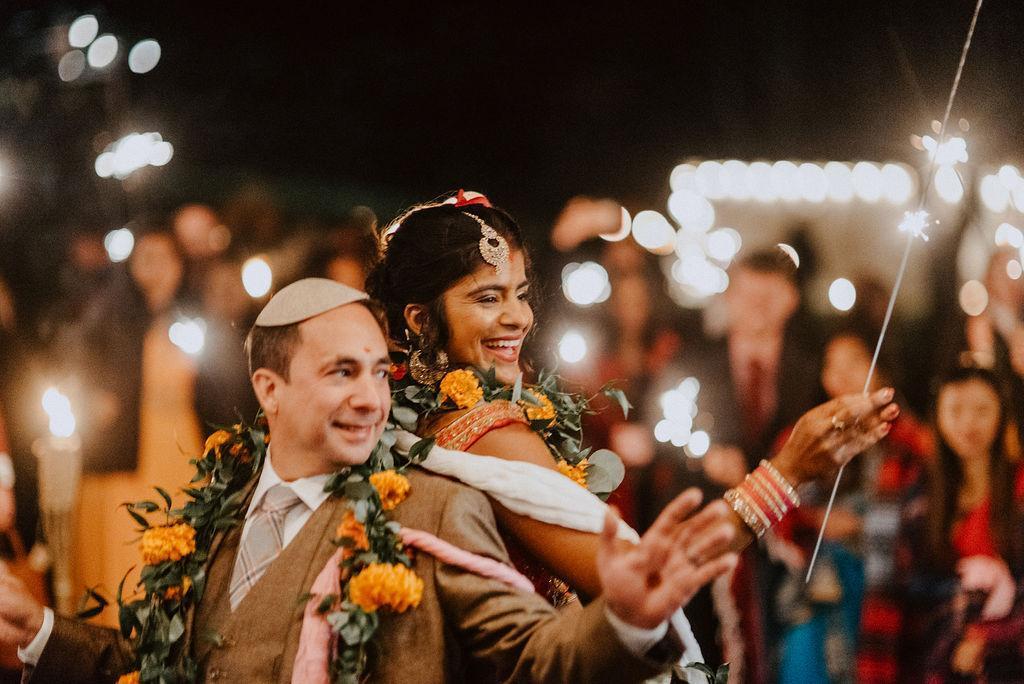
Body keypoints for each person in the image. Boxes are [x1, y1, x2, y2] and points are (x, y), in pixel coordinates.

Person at [0, 278, 744, 683]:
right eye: (340, 372)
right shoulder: (210, 523)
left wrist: (626, 619)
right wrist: (40, 637)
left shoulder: (432, 511)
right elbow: (160, 663)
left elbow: (536, 658)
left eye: (380, 374)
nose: (370, 398)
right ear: (269, 389)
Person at [365, 191, 897, 642]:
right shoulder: (488, 435)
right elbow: (646, 581)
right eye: (487, 297)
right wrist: (787, 473)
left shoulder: (417, 421)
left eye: (520, 294)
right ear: (419, 319)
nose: (517, 316)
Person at [769, 328, 931, 683]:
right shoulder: (802, 435)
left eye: (854, 363)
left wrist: (861, 524)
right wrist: (812, 519)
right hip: (815, 595)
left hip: (880, 592)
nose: (840, 376)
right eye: (832, 365)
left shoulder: (911, 441)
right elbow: (773, 507)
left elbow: (925, 520)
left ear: (882, 369)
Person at [72, 228, 204, 620]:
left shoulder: (193, 318)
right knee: (127, 552)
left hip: (181, 445)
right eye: (146, 259)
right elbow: (81, 368)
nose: (156, 269)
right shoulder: (110, 318)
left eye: (166, 259)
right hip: (128, 451)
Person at [897, 366, 1024, 682]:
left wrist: (988, 637)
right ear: (937, 416)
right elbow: (908, 583)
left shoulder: (1020, 486)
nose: (969, 423)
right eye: (956, 410)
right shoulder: (919, 494)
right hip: (940, 653)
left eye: (982, 410)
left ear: (1002, 414)